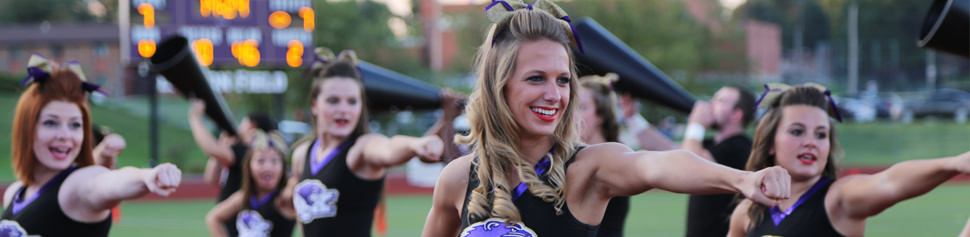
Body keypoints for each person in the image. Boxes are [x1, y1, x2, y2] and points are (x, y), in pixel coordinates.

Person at [420, 1, 792, 236]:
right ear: (499, 85)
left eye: (563, 80)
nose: (555, 94)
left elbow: (656, 166)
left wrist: (743, 179)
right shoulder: (458, 178)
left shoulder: (589, 168)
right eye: (536, 78)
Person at [728, 83, 970, 237]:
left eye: (821, 134)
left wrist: (955, 163)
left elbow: (889, 182)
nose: (811, 142)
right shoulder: (747, 212)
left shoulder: (838, 198)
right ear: (770, 142)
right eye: (797, 131)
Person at [3, 55, 181, 236]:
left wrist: (146, 176)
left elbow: (106, 183)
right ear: (27, 129)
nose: (65, 136)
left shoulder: (76, 187)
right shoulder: (14, 193)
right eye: (51, 123)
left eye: (75, 125)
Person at [283, 48, 443, 236]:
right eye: (333, 101)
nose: (344, 109)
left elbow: (388, 147)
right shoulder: (302, 154)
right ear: (314, 105)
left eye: (352, 102)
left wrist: (416, 145)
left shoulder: (360, 149)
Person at [682, 85, 757, 237]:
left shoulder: (738, 147)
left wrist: (695, 125)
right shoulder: (713, 145)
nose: (711, 104)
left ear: (736, 114)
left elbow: (688, 166)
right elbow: (666, 151)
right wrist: (634, 119)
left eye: (720, 100)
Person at [206, 130, 295, 237]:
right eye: (261, 161)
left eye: (274, 161)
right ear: (249, 166)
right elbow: (213, 218)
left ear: (283, 167)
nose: (268, 167)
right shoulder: (244, 197)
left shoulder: (283, 198)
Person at [189, 103, 277, 202]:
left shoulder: (248, 152)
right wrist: (223, 145)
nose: (239, 127)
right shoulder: (243, 151)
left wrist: (195, 118)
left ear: (251, 126)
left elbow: (210, 148)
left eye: (243, 123)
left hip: (237, 214)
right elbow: (211, 178)